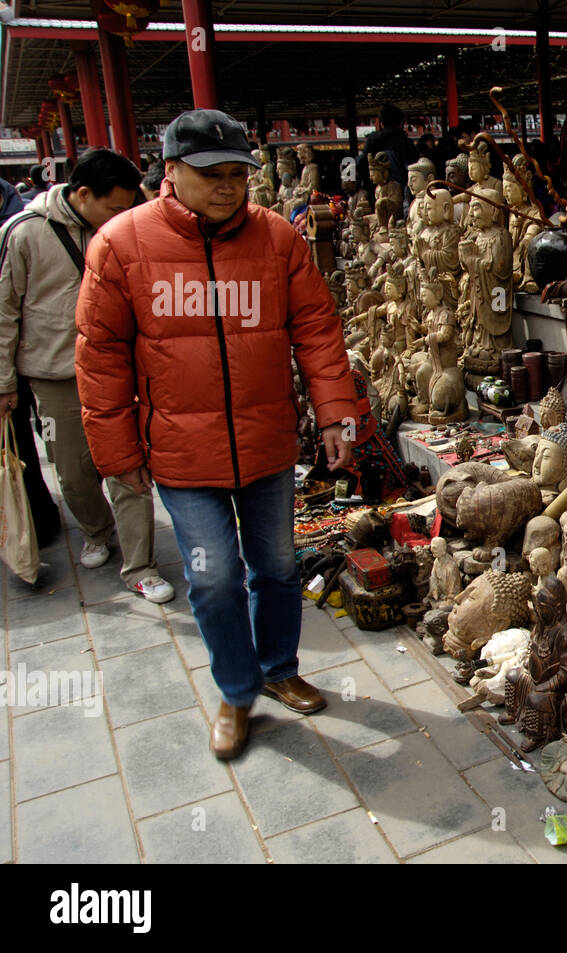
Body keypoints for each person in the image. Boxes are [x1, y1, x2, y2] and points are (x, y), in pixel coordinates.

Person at [75, 110, 357, 761]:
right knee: (215, 577)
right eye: (211, 175)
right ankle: (237, 689)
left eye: (237, 175)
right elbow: (101, 356)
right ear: (170, 173)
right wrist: (118, 453)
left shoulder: (279, 240)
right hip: (181, 452)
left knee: (280, 566)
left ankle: (280, 665)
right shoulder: (121, 246)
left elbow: (316, 328)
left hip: (266, 441)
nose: (228, 187)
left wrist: (339, 412)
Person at [0, 148, 172, 597]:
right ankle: (97, 532)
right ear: (81, 194)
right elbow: (3, 314)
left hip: (121, 370)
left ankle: (140, 566)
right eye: (114, 207)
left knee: (127, 466)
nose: (123, 215)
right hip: (55, 376)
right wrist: (4, 383)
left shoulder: (129, 230)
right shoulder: (23, 234)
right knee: (72, 471)